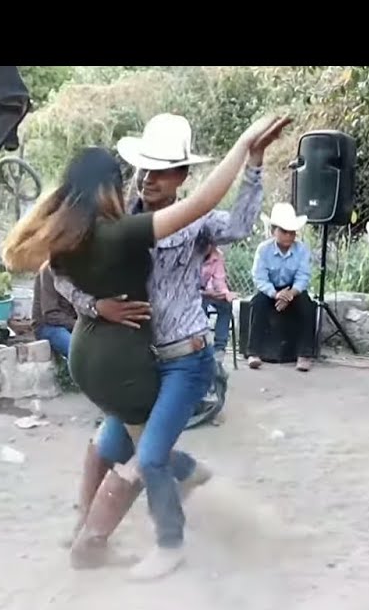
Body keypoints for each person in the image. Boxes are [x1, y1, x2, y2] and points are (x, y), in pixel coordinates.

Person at [45, 113, 290, 580]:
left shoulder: (194, 222)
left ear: (182, 177)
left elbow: (238, 225)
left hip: (186, 360)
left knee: (150, 456)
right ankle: (95, 528)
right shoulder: (120, 220)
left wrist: (254, 163)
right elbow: (60, 271)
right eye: (144, 168)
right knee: (104, 447)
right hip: (142, 364)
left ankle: (170, 542)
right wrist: (96, 306)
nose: (149, 179)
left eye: (162, 171)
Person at [247, 203, 316, 371]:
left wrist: (290, 294)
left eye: (292, 232)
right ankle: (253, 352)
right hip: (271, 289)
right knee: (258, 304)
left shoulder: (302, 250)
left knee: (307, 306)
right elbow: (260, 277)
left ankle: (304, 354)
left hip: (293, 290)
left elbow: (303, 277)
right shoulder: (263, 250)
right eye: (284, 231)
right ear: (273, 231)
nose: (288, 236)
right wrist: (276, 294)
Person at [31, 262, 76, 359]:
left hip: (74, 324)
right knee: (78, 352)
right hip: (48, 326)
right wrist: (78, 325)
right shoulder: (49, 269)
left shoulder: (84, 270)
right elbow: (50, 315)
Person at [201, 244, 236, 362]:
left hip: (207, 291)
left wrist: (226, 293)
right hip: (191, 293)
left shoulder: (217, 255)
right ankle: (201, 344)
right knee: (201, 305)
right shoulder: (189, 254)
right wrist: (206, 293)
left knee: (226, 305)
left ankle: (219, 348)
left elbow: (219, 280)